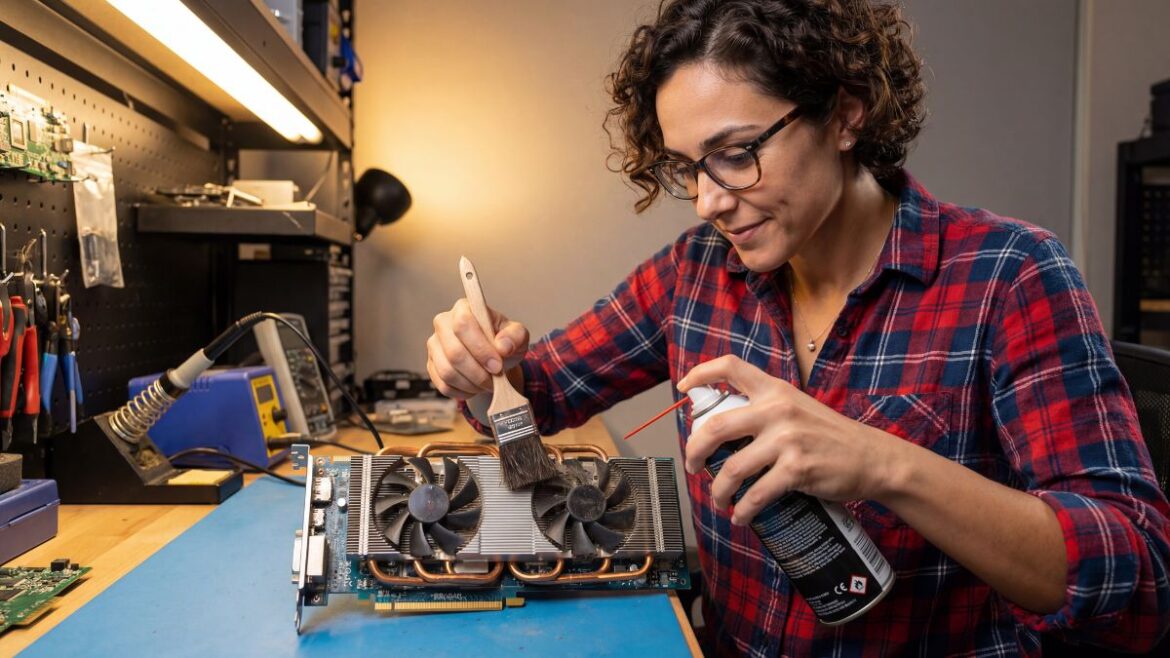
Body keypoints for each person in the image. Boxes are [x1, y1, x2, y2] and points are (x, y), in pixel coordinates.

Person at [425, 0, 1170, 655]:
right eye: (687, 168)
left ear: (845, 114)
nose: (708, 202)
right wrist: (485, 367)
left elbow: (1137, 579)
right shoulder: (696, 270)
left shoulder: (1012, 275)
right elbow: (541, 395)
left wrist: (884, 465)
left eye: (736, 154)